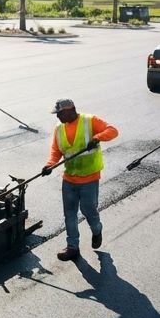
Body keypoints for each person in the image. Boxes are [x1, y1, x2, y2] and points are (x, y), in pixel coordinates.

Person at [41, 98, 119, 261]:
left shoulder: (89, 121)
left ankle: (97, 230)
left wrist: (97, 138)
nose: (58, 117)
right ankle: (72, 247)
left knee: (88, 210)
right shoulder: (59, 129)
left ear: (71, 110)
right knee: (69, 214)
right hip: (69, 179)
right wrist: (49, 165)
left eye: (60, 113)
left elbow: (113, 131)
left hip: (89, 178)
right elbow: (56, 152)